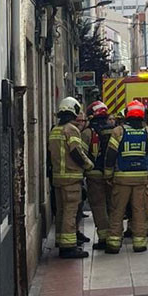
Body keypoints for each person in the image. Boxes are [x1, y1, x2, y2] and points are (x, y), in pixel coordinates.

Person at [47, 97, 94, 259]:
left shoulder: (55, 130)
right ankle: (68, 247)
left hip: (58, 178)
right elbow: (76, 152)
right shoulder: (71, 129)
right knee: (70, 212)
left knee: (60, 211)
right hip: (71, 178)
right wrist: (89, 165)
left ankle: (61, 240)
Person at [107, 100, 148, 253]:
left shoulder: (118, 131)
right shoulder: (147, 132)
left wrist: (108, 173)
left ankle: (114, 243)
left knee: (118, 210)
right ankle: (139, 243)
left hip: (122, 177)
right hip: (141, 177)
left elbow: (111, 154)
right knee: (139, 210)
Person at [83, 101, 117, 251]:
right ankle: (115, 235)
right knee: (112, 205)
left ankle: (103, 237)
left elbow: (82, 154)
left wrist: (86, 168)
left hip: (94, 174)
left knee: (98, 206)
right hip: (112, 174)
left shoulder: (88, 132)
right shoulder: (115, 131)